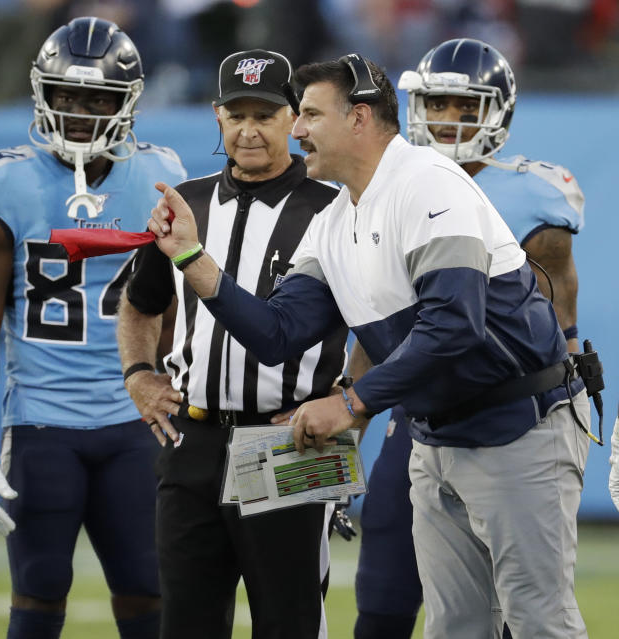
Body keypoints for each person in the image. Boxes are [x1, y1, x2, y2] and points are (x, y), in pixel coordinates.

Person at [145, 53, 591, 639]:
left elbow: (456, 326)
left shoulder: (427, 181)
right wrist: (190, 258)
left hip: (517, 424)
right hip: (436, 433)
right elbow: (276, 334)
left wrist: (352, 403)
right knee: (455, 625)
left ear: (358, 118)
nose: (297, 129)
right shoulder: (336, 218)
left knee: (538, 621)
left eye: (309, 114)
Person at [0, 17, 186, 639]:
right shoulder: (2, 184)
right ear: (42, 94)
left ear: (127, 103)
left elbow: (173, 315)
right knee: (39, 589)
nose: (79, 113)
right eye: (67, 96)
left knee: (147, 586)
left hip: (137, 418)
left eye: (97, 99)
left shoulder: (160, 175)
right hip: (41, 421)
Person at [351, 38, 587, 638]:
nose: (449, 121)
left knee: (527, 609)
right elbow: (373, 313)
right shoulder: (385, 187)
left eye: (465, 107)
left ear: (498, 113)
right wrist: (352, 412)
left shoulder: (535, 193)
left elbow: (561, 316)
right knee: (388, 596)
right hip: (419, 414)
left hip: (513, 416)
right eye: (438, 105)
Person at [118, 48, 345, 639]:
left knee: (291, 622)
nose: (248, 130)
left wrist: (349, 399)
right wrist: (139, 375)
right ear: (217, 116)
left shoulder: (333, 207)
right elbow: (140, 303)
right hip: (191, 436)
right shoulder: (186, 201)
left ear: (294, 120)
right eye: (236, 113)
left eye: (265, 115)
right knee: (187, 623)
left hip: (288, 436)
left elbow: (376, 320)